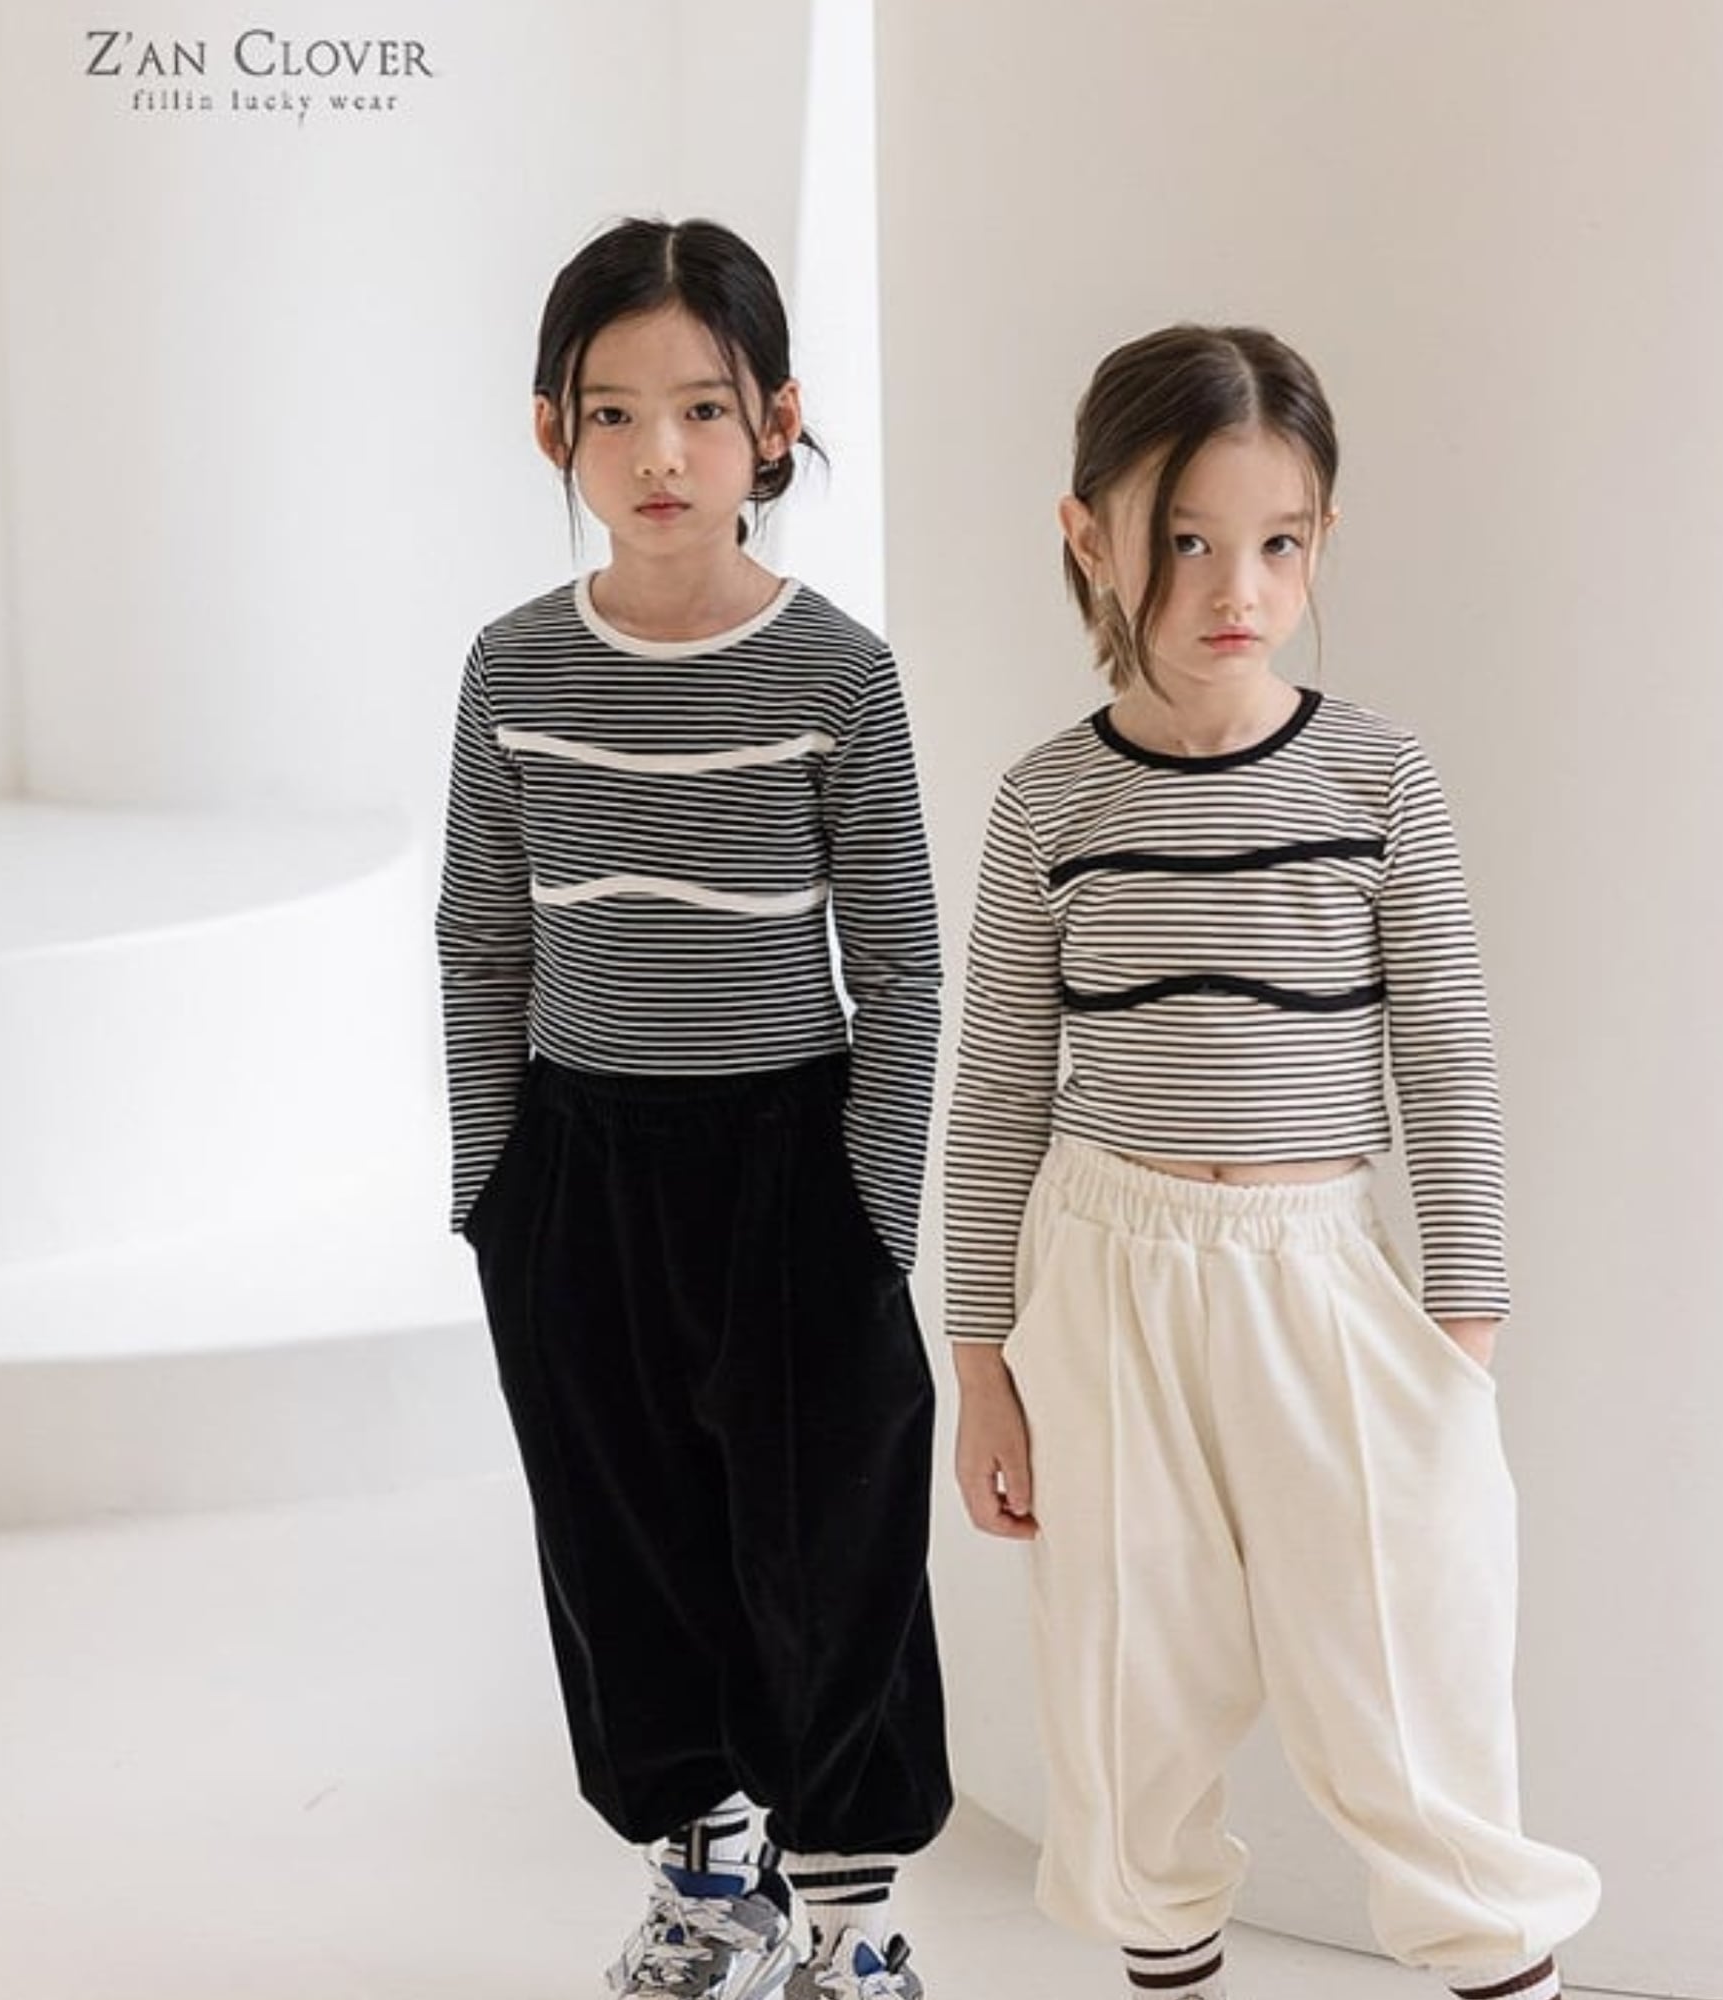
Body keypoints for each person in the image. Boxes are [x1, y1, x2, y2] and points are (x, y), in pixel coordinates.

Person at [943, 324, 1601, 2000]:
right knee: (1131, 1692)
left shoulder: (1380, 779)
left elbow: (1447, 1059)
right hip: (1105, 1281)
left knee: (1408, 1688)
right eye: (1184, 540)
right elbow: (998, 1086)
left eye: (1278, 543)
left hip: (1325, 1275)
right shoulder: (1047, 804)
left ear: (1321, 539)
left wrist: (1462, 1335)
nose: (1235, 587)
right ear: (1088, 534)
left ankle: (1500, 1965)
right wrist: (982, 1363)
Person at [437, 216, 948, 2000]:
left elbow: (903, 962)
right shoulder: (513, 668)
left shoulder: (836, 673)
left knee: (829, 1551)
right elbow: (483, 937)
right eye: (614, 413)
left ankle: (853, 1921)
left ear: (776, 423)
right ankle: (709, 1873)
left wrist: (871, 1214)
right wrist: (494, 1191)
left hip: (792, 1163)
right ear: (553, 431)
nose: (660, 452)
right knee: (622, 1538)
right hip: (579, 1167)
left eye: (705, 409)